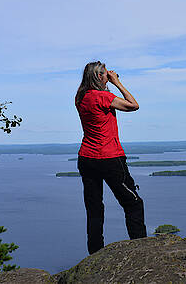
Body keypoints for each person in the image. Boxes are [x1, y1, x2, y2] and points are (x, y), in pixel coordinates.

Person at [75, 61, 147, 254]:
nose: (109, 76)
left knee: (94, 208)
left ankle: (95, 253)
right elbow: (134, 105)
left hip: (86, 158)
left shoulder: (80, 97)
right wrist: (117, 83)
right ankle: (141, 250)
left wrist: (108, 80)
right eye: (106, 74)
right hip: (110, 158)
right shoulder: (103, 97)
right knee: (133, 203)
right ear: (99, 77)